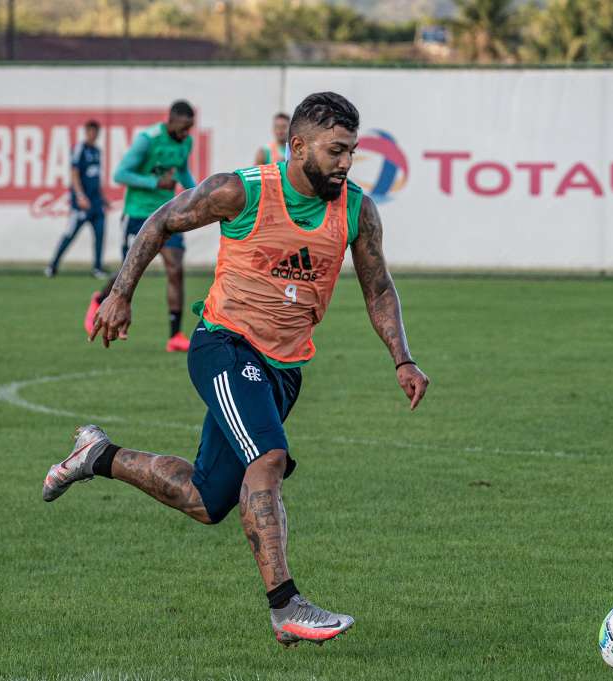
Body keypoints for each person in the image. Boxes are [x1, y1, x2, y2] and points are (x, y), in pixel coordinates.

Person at [43, 92, 430, 647]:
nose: (346, 163)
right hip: (224, 345)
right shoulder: (241, 190)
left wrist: (403, 357)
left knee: (205, 499)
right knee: (268, 458)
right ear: (298, 147)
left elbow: (378, 287)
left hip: (285, 368)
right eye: (336, 150)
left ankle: (96, 456)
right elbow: (159, 221)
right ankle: (286, 607)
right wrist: (120, 293)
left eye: (352, 152)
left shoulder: (356, 210)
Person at [84, 101, 197, 351]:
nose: (186, 133)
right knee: (129, 269)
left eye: (190, 128)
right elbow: (121, 174)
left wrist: (201, 194)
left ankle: (175, 335)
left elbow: (183, 172)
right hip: (138, 214)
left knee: (175, 269)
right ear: (171, 120)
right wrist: (155, 182)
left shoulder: (185, 142)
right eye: (183, 128)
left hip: (169, 215)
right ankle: (100, 299)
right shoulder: (148, 139)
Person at [45, 120, 108, 278]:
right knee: (70, 234)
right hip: (81, 204)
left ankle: (97, 268)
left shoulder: (97, 151)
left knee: (100, 234)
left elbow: (95, 177)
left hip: (96, 202)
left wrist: (102, 197)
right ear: (86, 132)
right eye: (90, 131)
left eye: (95, 132)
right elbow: (74, 174)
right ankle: (52, 266)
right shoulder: (80, 149)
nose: (93, 135)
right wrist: (80, 196)